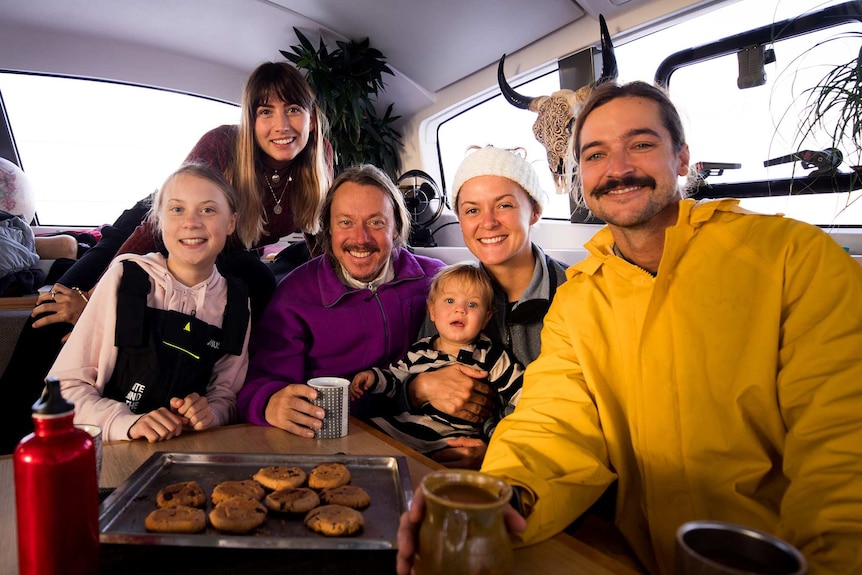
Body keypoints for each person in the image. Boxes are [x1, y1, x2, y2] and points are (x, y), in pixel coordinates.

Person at [397, 81, 862, 575]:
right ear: (580, 175)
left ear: (682, 158)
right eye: (596, 154)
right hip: (633, 556)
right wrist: (503, 496)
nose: (617, 169)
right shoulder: (582, 298)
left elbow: (843, 446)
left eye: (640, 144)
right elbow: (552, 426)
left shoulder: (793, 260)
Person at [0, 60, 331, 453]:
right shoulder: (223, 144)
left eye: (294, 109)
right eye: (266, 112)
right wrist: (95, 298)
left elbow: (321, 243)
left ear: (311, 117)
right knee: (53, 309)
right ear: (250, 117)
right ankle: (8, 436)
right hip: (149, 226)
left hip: (224, 247)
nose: (283, 125)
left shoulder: (320, 159)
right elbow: (160, 226)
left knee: (257, 279)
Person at [237, 164, 445, 437]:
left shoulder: (435, 281)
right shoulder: (294, 296)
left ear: (396, 228)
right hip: (331, 435)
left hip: (421, 432)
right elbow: (256, 385)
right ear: (329, 230)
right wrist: (269, 403)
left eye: (376, 222)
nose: (361, 239)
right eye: (345, 223)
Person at [48, 163, 251, 442]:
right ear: (159, 220)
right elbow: (63, 391)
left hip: (187, 453)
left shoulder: (237, 303)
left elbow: (227, 396)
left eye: (208, 209)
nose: (191, 222)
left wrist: (211, 413)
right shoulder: (126, 279)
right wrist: (126, 423)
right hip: (112, 451)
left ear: (231, 223)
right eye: (177, 209)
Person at [402, 145, 568, 468]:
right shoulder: (449, 296)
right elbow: (417, 371)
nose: (488, 223)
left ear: (534, 211)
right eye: (472, 210)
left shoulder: (573, 293)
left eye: (504, 205)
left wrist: (493, 451)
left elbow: (573, 414)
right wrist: (417, 388)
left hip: (546, 468)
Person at [350, 262, 524, 467]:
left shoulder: (490, 355)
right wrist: (373, 377)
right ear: (432, 311)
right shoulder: (420, 349)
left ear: (486, 318)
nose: (460, 310)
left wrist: (497, 440)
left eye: (472, 304)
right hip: (405, 432)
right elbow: (396, 380)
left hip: (451, 442)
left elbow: (524, 395)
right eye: (450, 301)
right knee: (365, 433)